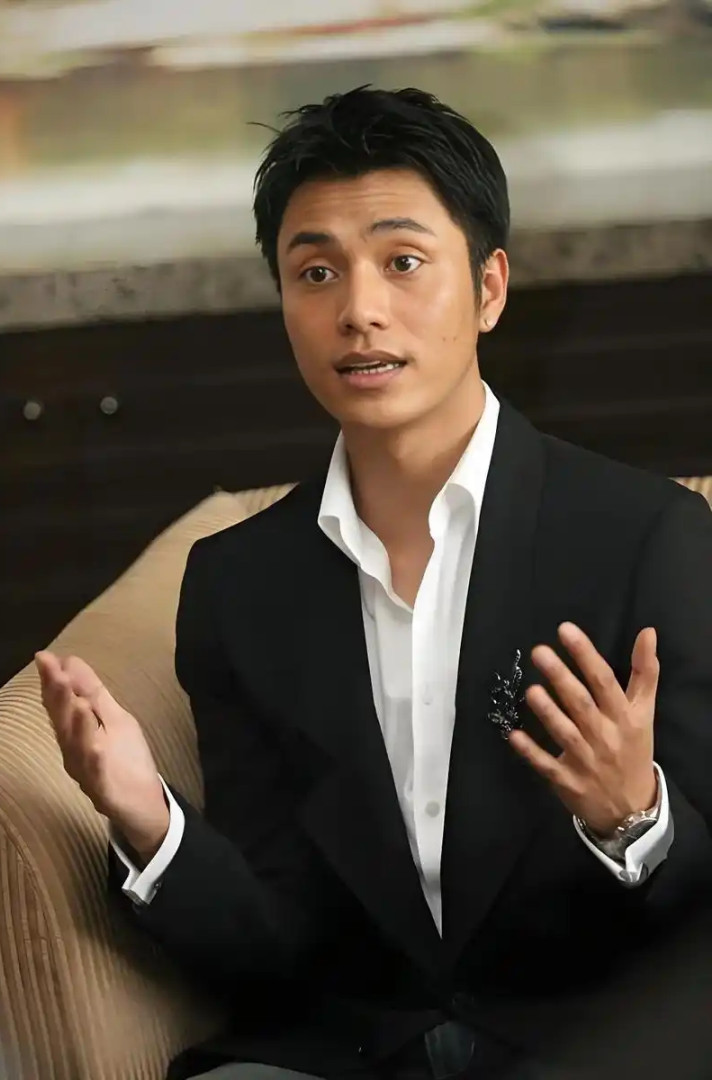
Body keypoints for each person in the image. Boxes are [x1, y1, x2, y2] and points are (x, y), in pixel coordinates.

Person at [36, 87, 712, 1080]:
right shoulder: (238, 584)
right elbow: (274, 950)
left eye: (403, 262)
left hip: (599, 1042)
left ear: (489, 288)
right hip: (352, 1055)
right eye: (316, 272)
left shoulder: (650, 537)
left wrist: (635, 817)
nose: (358, 311)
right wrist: (151, 821)